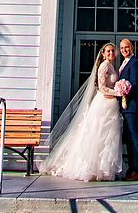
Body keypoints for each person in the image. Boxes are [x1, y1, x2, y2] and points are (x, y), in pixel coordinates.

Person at [41, 42, 123, 181]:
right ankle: (91, 168)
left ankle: (104, 169)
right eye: (108, 51)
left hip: (111, 105)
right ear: (102, 54)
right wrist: (118, 92)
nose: (111, 53)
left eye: (112, 51)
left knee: (108, 137)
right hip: (103, 104)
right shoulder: (103, 66)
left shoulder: (111, 66)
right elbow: (101, 87)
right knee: (98, 134)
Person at [118, 38, 138, 180]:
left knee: (134, 139)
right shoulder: (125, 63)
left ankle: (137, 171)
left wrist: (122, 91)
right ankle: (131, 169)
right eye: (121, 48)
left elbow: (133, 84)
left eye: (126, 47)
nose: (124, 50)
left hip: (132, 107)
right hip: (125, 107)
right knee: (128, 139)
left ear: (132, 48)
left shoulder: (135, 63)